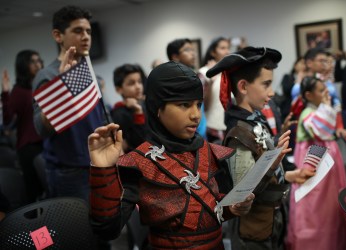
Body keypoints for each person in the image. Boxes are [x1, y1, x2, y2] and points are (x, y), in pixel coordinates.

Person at [88, 61, 254, 249]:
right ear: (157, 108)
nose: (196, 115)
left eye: (198, 104)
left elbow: (211, 209)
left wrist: (232, 207)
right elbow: (107, 229)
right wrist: (103, 170)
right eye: (184, 104)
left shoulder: (209, 150)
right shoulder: (138, 163)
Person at [206, 46, 315, 250]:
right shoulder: (239, 133)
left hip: (269, 220)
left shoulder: (256, 120)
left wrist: (292, 175)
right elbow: (243, 193)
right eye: (266, 84)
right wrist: (272, 164)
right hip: (253, 231)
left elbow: (261, 163)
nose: (272, 92)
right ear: (244, 87)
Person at [32, 6, 105, 201]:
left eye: (88, 31)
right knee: (76, 230)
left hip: (99, 162)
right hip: (70, 171)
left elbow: (101, 115)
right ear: (58, 35)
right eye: (77, 31)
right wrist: (60, 88)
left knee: (103, 225)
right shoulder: (47, 76)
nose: (86, 36)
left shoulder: (90, 72)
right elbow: (42, 128)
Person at [285, 76, 346, 250]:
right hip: (314, 161)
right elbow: (322, 130)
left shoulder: (318, 110)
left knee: (331, 204)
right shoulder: (307, 113)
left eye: (326, 89)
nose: (326, 93)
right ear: (308, 95)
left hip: (327, 160)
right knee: (315, 204)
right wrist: (325, 106)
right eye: (321, 90)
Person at [1, 50, 45, 203]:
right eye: (32, 61)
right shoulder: (19, 91)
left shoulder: (43, 84)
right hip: (30, 147)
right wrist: (5, 93)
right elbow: (8, 121)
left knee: (52, 188)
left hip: (48, 142)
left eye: (39, 60)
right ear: (23, 65)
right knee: (35, 193)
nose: (37, 64)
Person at [167, 38, 207, 139]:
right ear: (175, 56)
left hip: (200, 133)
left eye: (193, 50)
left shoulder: (194, 76)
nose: (193, 53)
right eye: (187, 50)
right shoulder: (172, 81)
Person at [198, 37, 230, 143]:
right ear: (213, 52)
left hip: (228, 127)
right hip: (211, 130)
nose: (227, 51)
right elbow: (203, 106)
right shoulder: (204, 73)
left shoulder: (229, 72)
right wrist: (211, 82)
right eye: (222, 48)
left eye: (228, 48)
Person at [111, 63, 147, 152]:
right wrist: (138, 112)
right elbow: (136, 144)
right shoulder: (118, 113)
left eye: (139, 81)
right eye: (131, 83)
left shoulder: (145, 104)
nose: (138, 86)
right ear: (119, 89)